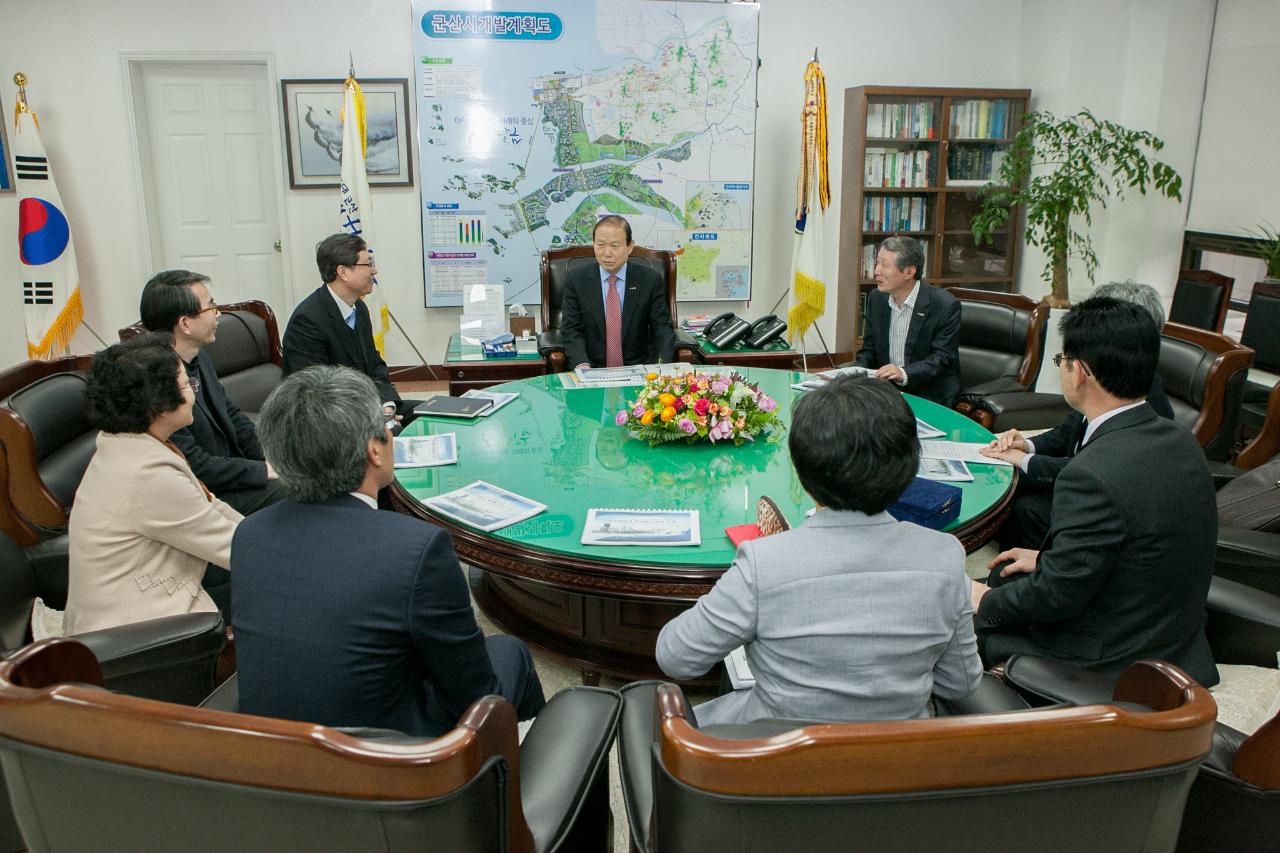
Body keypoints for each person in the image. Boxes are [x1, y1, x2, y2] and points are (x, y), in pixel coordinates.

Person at [231, 365, 546, 735]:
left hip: (274, 755)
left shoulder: (249, 534)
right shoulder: (416, 549)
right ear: (374, 451)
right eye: (387, 428)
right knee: (513, 653)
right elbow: (474, 693)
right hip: (390, 763)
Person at [655, 375, 982, 725]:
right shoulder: (945, 555)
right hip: (897, 762)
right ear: (909, 465)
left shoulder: (764, 563)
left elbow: (676, 657)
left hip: (777, 759)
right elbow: (960, 683)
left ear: (802, 468)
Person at [972, 297, 1219, 686]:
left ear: (1081, 372)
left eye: (1062, 361)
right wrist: (1048, 558)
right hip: (1173, 640)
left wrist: (980, 599)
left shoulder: (1089, 474)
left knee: (969, 621)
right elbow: (1143, 544)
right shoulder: (1179, 440)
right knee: (1008, 576)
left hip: (1114, 660)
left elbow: (1056, 598)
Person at [64, 334, 242, 634]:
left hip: (149, 598)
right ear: (158, 405)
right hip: (138, 633)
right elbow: (234, 549)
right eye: (186, 385)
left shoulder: (126, 443)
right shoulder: (147, 473)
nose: (192, 395)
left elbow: (210, 505)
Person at [982, 280, 1176, 549]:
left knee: (1022, 501)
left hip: (1094, 505)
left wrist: (1025, 460)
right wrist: (1027, 445)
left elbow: (1095, 470)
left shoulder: (1145, 409)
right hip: (1080, 487)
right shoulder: (1110, 390)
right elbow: (1069, 432)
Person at [139, 269, 284, 515]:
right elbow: (194, 464)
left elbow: (234, 418)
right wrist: (264, 471)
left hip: (233, 472)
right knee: (298, 491)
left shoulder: (199, 357)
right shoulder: (157, 381)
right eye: (211, 307)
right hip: (204, 493)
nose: (218, 314)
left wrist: (275, 457)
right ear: (185, 323)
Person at [281, 233, 416, 420]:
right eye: (368, 264)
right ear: (343, 272)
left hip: (368, 409)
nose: (374, 271)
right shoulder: (307, 320)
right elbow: (315, 394)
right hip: (331, 422)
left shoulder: (359, 308)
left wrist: (387, 406)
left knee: (433, 414)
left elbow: (375, 364)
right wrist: (372, 416)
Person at [852, 235, 962, 406]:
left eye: (885, 265)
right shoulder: (877, 298)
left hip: (929, 394)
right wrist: (856, 373)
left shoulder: (945, 305)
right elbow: (869, 349)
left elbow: (942, 359)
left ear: (909, 272)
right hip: (887, 392)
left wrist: (903, 373)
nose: (876, 271)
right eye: (877, 263)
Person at [559, 215, 676, 369]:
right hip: (591, 369)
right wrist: (582, 365)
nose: (607, 253)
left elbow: (662, 329)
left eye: (615, 245)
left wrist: (662, 368)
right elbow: (571, 329)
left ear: (630, 246)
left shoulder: (649, 280)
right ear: (593, 244)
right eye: (600, 244)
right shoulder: (576, 279)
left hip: (639, 369)